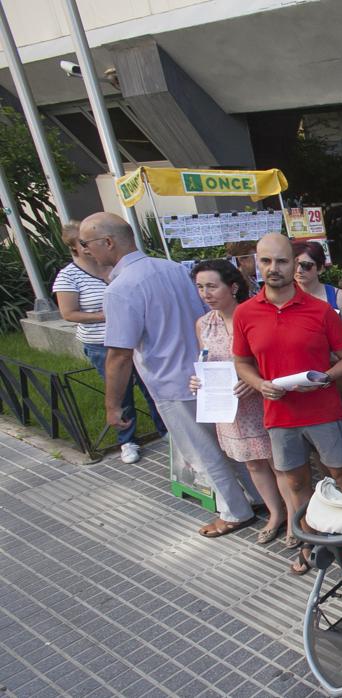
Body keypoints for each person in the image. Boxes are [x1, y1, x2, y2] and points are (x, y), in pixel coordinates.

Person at [83, 212, 258, 538]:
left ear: (108, 242)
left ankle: (235, 510)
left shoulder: (120, 289)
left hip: (173, 382)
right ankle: (259, 495)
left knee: (206, 451)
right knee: (229, 443)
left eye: (87, 244)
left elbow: (119, 355)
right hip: (209, 372)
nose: (86, 251)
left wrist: (112, 405)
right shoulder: (174, 268)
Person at [234, 233, 342, 574]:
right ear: (257, 263)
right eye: (266, 261)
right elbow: (241, 362)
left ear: (294, 264)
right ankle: (311, 545)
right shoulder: (245, 313)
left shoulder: (320, 311)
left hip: (323, 410)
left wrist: (325, 378)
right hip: (279, 415)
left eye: (282, 261)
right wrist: (259, 384)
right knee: (295, 484)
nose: (273, 269)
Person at [189, 260, 286, 544]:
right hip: (228, 407)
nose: (205, 293)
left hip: (261, 401)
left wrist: (253, 379)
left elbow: (276, 358)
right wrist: (197, 381)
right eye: (200, 287)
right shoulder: (204, 324)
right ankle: (275, 512)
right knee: (253, 464)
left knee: (278, 462)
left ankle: (295, 515)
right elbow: (205, 361)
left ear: (232, 287)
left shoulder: (255, 315)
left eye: (211, 286)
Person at [53, 220, 165, 464]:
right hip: (102, 343)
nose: (88, 247)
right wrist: (108, 315)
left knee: (151, 386)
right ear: (74, 247)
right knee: (120, 392)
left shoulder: (118, 268)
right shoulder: (69, 276)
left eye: (90, 242)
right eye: (83, 243)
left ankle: (166, 431)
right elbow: (69, 313)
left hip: (138, 339)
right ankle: (127, 440)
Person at [292, 240, 342, 485]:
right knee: (317, 440)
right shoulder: (286, 299)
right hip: (300, 379)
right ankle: (332, 488)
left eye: (306, 265)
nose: (300, 271)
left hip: (337, 374)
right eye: (295, 264)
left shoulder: (336, 296)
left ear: (320, 268)